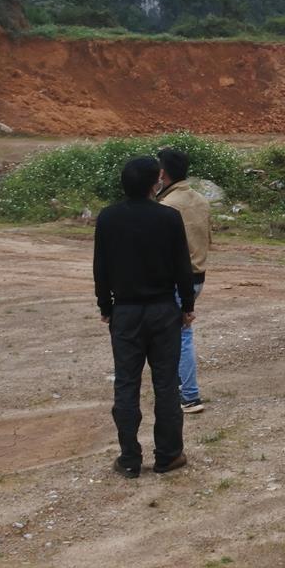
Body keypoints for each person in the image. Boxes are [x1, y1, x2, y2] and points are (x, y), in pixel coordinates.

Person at [93, 155, 196, 478]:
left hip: (125, 311)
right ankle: (168, 455)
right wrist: (187, 306)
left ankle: (129, 459)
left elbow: (101, 269)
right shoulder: (168, 218)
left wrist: (106, 307)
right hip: (164, 310)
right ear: (157, 182)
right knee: (165, 384)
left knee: (126, 384)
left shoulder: (108, 218)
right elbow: (183, 266)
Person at [155, 148, 211, 414]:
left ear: (162, 173)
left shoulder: (166, 206)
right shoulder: (201, 200)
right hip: (198, 276)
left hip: (179, 280)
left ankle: (190, 396)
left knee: (181, 335)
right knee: (178, 333)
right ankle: (180, 389)